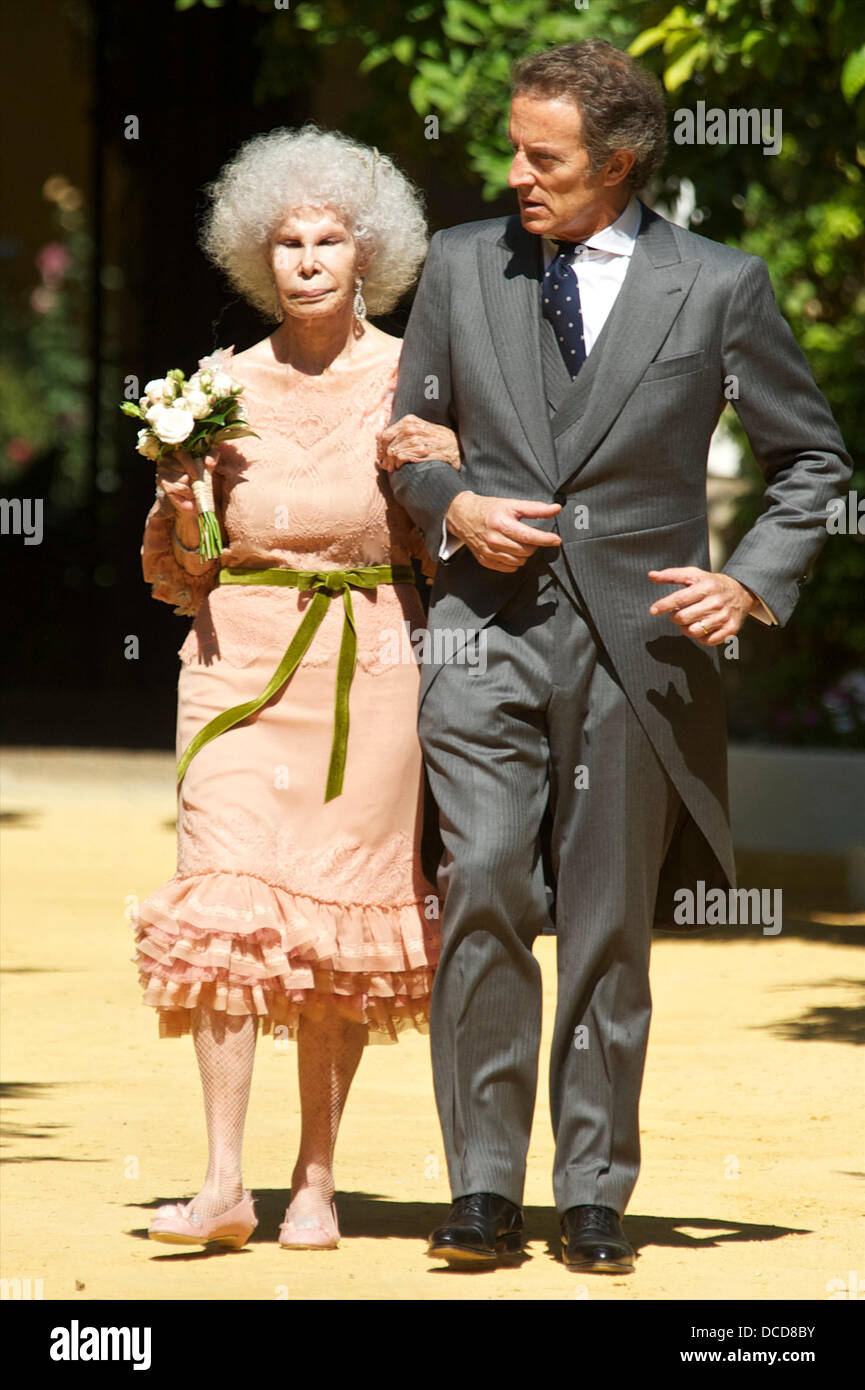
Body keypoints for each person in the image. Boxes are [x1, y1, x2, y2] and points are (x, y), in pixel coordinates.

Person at [379, 40, 851, 1272]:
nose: (515, 176)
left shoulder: (719, 286)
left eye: (544, 158)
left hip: (639, 649)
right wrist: (448, 503)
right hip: (480, 630)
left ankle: (593, 1187)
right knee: (480, 877)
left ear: (619, 164)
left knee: (605, 923)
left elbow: (813, 459)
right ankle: (481, 1182)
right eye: (513, 151)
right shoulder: (458, 266)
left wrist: (751, 579)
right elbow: (408, 439)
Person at [135, 125, 459, 1252]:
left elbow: (444, 547)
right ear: (255, 256)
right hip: (233, 660)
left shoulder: (418, 378)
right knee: (223, 903)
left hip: (372, 667)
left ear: (367, 252)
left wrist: (436, 473)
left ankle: (315, 1183)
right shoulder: (215, 387)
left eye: (328, 239)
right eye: (286, 241)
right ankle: (223, 1181)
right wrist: (183, 498)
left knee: (333, 927)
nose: (308, 259)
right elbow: (186, 571)